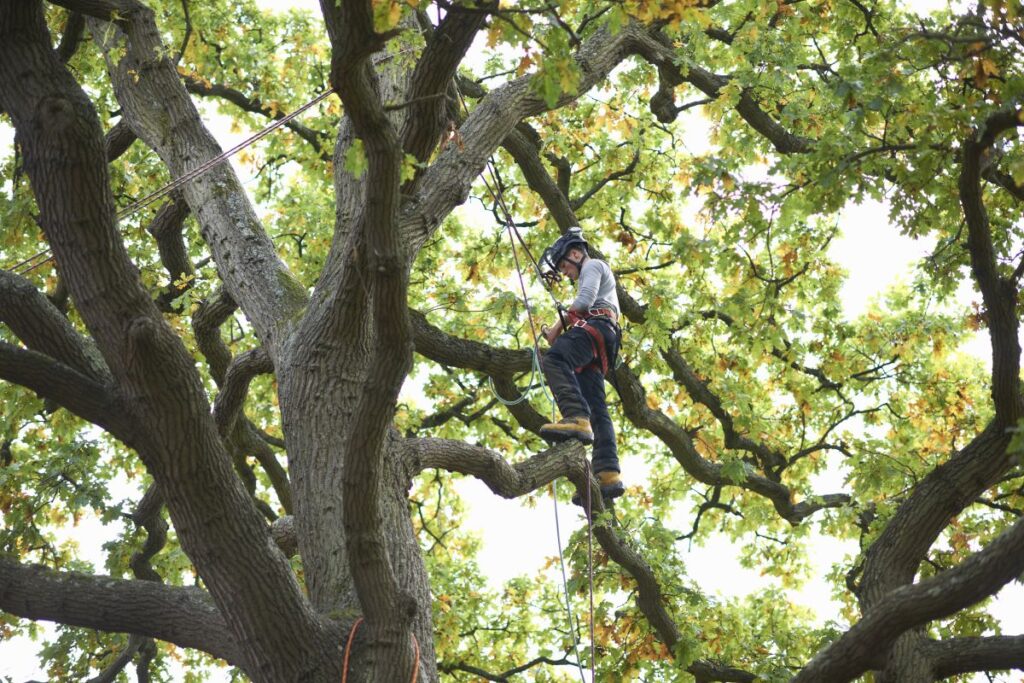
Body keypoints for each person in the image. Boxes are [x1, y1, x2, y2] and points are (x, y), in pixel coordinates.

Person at [537, 227, 624, 502]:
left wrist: (555, 330)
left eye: (564, 265)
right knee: (597, 406)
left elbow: (584, 300)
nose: (564, 272)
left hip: (596, 328)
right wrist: (556, 331)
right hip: (602, 342)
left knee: (555, 358)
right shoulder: (592, 272)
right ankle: (608, 472)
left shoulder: (593, 266)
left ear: (576, 253)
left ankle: (575, 416)